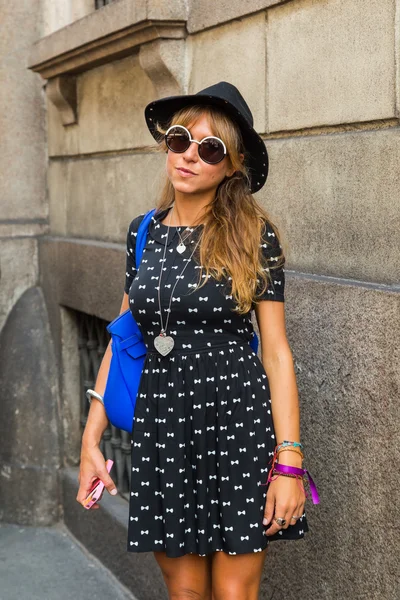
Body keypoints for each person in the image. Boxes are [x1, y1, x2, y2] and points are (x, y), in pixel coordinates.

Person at [77, 81, 311, 599]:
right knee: (183, 592)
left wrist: (289, 463)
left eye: (209, 149)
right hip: (164, 424)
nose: (188, 156)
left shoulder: (254, 235)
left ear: (231, 165)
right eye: (180, 139)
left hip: (238, 423)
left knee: (233, 593)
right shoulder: (143, 231)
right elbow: (122, 340)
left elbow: (275, 352)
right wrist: (91, 439)